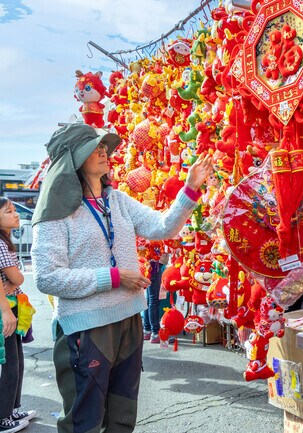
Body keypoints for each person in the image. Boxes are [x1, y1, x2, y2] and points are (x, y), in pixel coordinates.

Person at [31, 123, 212, 433]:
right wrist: (113, 277)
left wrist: (191, 188)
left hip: (129, 321)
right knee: (85, 422)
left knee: (122, 416)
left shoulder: (118, 201)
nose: (104, 151)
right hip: (86, 329)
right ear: (73, 159)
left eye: (104, 146)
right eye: (94, 147)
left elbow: (162, 227)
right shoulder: (56, 212)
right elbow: (48, 278)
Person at [0, 197, 37, 433]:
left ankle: (12, 409)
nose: (16, 215)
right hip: (5, 308)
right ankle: (3, 418)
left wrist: (15, 283)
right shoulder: (0, 244)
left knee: (18, 360)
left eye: (15, 210)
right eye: (9, 211)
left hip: (11, 304)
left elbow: (14, 280)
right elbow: (16, 277)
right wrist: (5, 311)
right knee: (10, 363)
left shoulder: (5, 241)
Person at [142, 255, 167, 344]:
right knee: (154, 299)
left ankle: (147, 330)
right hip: (154, 262)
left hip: (149, 262)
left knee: (150, 298)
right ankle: (155, 332)